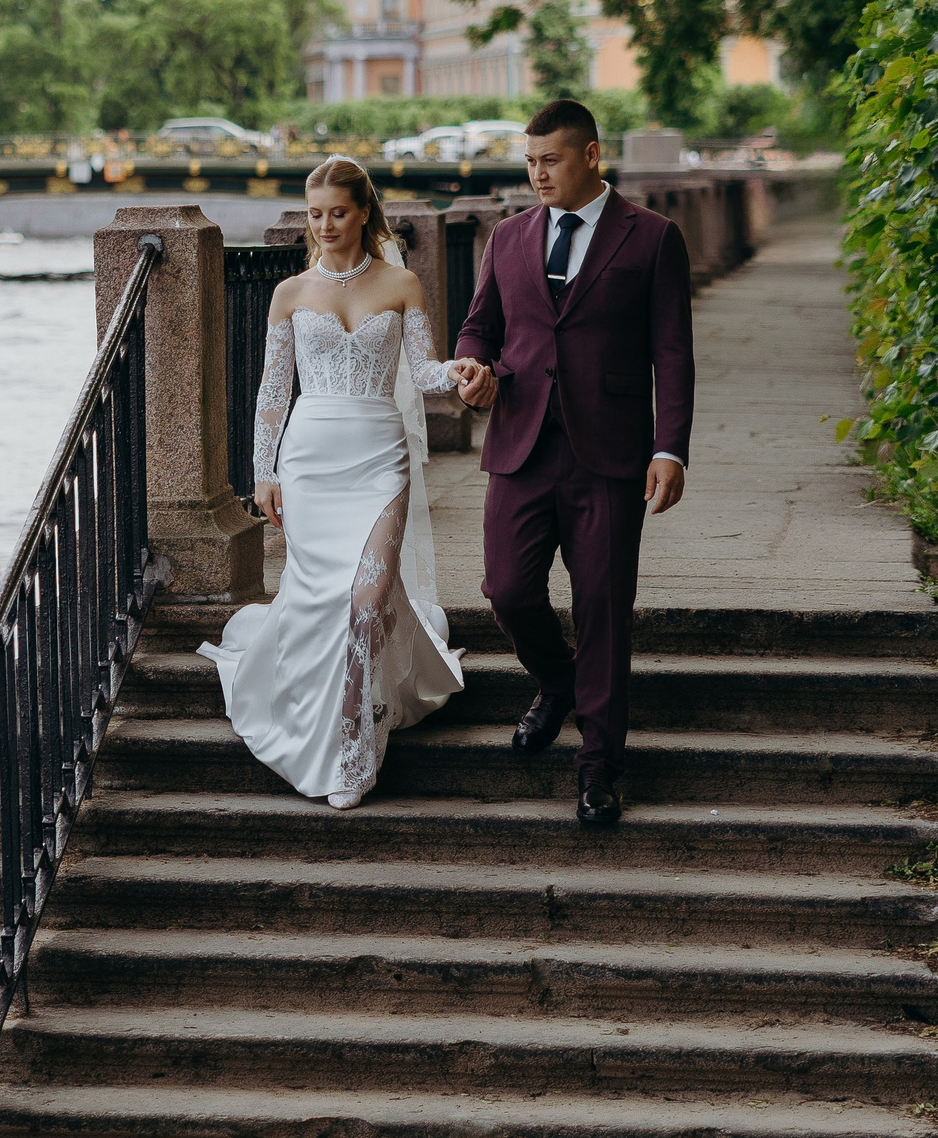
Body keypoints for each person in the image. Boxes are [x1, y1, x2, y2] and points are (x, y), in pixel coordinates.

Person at [452, 97, 696, 828]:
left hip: (611, 454)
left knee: (603, 611)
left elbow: (673, 352)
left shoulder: (652, 237)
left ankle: (598, 767)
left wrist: (670, 446)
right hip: (522, 442)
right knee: (506, 588)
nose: (537, 175)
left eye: (550, 160)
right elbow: (478, 326)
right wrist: (472, 368)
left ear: (592, 155)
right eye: (529, 163)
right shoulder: (507, 238)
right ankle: (556, 684)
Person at [198, 156, 469, 810]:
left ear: (364, 212)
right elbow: (271, 391)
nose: (324, 225)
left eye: (337, 212)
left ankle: (356, 748)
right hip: (310, 461)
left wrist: (461, 370)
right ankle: (332, 726)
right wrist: (263, 472)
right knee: (324, 601)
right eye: (315, 213)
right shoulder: (289, 293)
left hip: (380, 459)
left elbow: (424, 372)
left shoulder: (402, 284)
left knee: (368, 599)